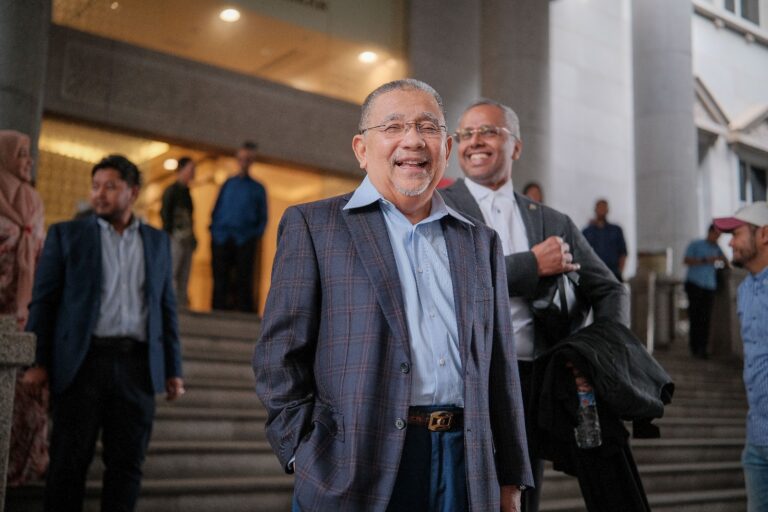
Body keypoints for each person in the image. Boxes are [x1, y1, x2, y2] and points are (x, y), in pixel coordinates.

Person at [254, 79, 532, 512]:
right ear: (362, 149)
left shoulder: (481, 242)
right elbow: (279, 355)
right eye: (393, 126)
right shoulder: (315, 226)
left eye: (428, 127)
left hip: (466, 465)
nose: (413, 140)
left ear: (447, 147)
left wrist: (512, 477)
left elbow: (500, 367)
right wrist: (301, 451)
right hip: (354, 465)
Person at [440, 99, 630, 512]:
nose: (475, 141)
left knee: (522, 498)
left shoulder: (551, 221)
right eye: (466, 134)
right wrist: (531, 265)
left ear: (516, 146)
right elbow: (441, 281)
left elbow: (611, 290)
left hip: (531, 382)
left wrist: (599, 358)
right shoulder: (437, 207)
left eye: (488, 131)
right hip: (459, 378)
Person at [23, 154, 185, 512]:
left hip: (136, 368)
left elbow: (165, 308)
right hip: (83, 364)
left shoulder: (158, 243)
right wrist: (37, 361)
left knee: (127, 466)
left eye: (110, 187)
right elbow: (44, 301)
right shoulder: (68, 235)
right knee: (68, 464)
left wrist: (173, 369)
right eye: (95, 186)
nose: (99, 194)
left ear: (133, 192)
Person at [0, 130, 48, 487]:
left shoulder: (33, 202)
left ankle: (17, 469)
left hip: (25, 318)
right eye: (20, 154)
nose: (28, 161)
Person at [714, 202, 768, 512]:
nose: (730, 243)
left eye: (736, 234)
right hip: (757, 439)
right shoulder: (745, 290)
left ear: (764, 235)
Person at [209, 141, 267, 312]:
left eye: (248, 159)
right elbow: (216, 209)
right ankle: (217, 311)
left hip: (245, 239)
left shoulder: (258, 188)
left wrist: (253, 236)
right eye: (241, 158)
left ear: (252, 161)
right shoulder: (228, 184)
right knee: (220, 278)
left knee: (244, 279)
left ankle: (243, 313)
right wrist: (215, 231)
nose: (244, 162)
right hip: (222, 237)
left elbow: (263, 217)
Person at [683, 223, 727, 359]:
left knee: (706, 318)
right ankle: (694, 347)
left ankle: (703, 348)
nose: (717, 238)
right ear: (710, 232)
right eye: (716, 235)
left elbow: (727, 263)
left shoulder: (717, 248)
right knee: (694, 316)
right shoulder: (696, 244)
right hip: (695, 284)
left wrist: (720, 254)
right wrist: (705, 260)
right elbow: (686, 260)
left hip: (709, 286)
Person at [161, 156, 196, 307]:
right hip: (175, 238)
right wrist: (169, 235)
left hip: (186, 239)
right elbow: (165, 214)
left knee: (184, 275)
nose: (194, 172)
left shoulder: (187, 193)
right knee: (173, 272)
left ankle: (181, 306)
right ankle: (170, 305)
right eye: (191, 169)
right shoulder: (171, 191)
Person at [582, 199, 627, 282]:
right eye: (600, 207)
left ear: (607, 210)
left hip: (613, 273)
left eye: (604, 208)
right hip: (593, 274)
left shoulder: (616, 230)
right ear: (595, 209)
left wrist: (620, 272)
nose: (602, 210)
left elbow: (623, 253)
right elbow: (582, 254)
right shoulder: (587, 232)